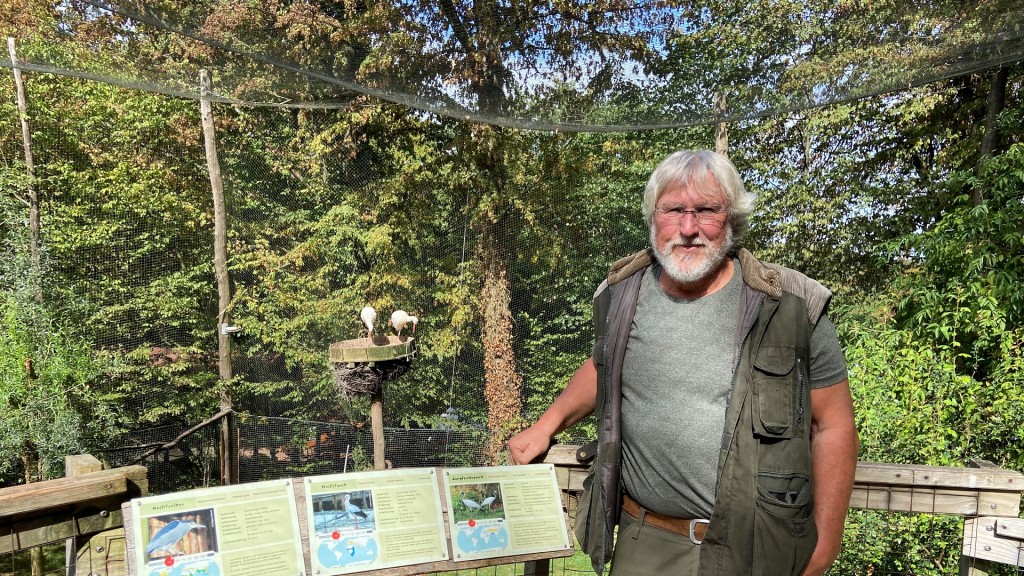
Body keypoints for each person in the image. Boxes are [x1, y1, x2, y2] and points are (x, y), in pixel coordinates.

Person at [508, 150, 858, 576]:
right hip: (647, 541)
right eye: (674, 210)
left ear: (731, 219)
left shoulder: (790, 307)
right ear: (654, 217)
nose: (688, 228)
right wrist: (546, 425)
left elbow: (834, 425)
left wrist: (826, 545)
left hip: (760, 549)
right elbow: (603, 367)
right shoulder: (622, 296)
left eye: (706, 210)